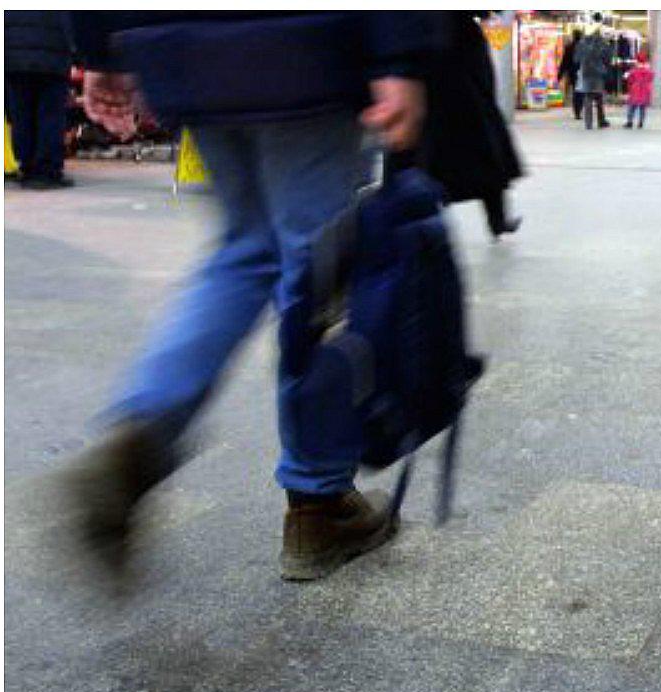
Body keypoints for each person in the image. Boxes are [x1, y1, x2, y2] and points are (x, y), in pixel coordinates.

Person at [61, 11, 434, 584]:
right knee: (315, 273)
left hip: (184, 54)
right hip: (305, 48)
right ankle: (320, 499)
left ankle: (148, 419)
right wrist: (397, 57)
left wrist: (101, 49)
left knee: (244, 250)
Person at [391, 11, 524, 240]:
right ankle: (496, 220)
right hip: (456, 77)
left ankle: (493, 220)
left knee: (434, 161)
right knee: (483, 157)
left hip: (435, 71)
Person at [5, 11, 75, 189]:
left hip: (13, 56)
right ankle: (46, 171)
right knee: (51, 115)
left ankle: (26, 166)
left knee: (21, 113)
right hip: (53, 55)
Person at [575, 20, 612, 130]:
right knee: (599, 97)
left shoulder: (582, 43)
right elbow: (608, 58)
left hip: (586, 73)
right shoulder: (603, 43)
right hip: (598, 74)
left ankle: (588, 123)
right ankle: (601, 120)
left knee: (588, 97)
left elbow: (576, 59)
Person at [623, 48, 653, 129]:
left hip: (635, 90)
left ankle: (630, 122)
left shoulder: (633, 71)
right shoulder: (649, 71)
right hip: (645, 91)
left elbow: (629, 79)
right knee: (642, 108)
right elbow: (651, 78)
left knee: (631, 107)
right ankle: (640, 122)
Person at [561, 28, 584, 120]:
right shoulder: (584, 47)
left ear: (573, 36)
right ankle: (579, 110)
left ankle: (577, 112)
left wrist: (561, 73)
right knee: (581, 92)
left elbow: (564, 61)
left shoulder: (569, 47)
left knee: (575, 91)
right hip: (582, 72)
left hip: (572, 72)